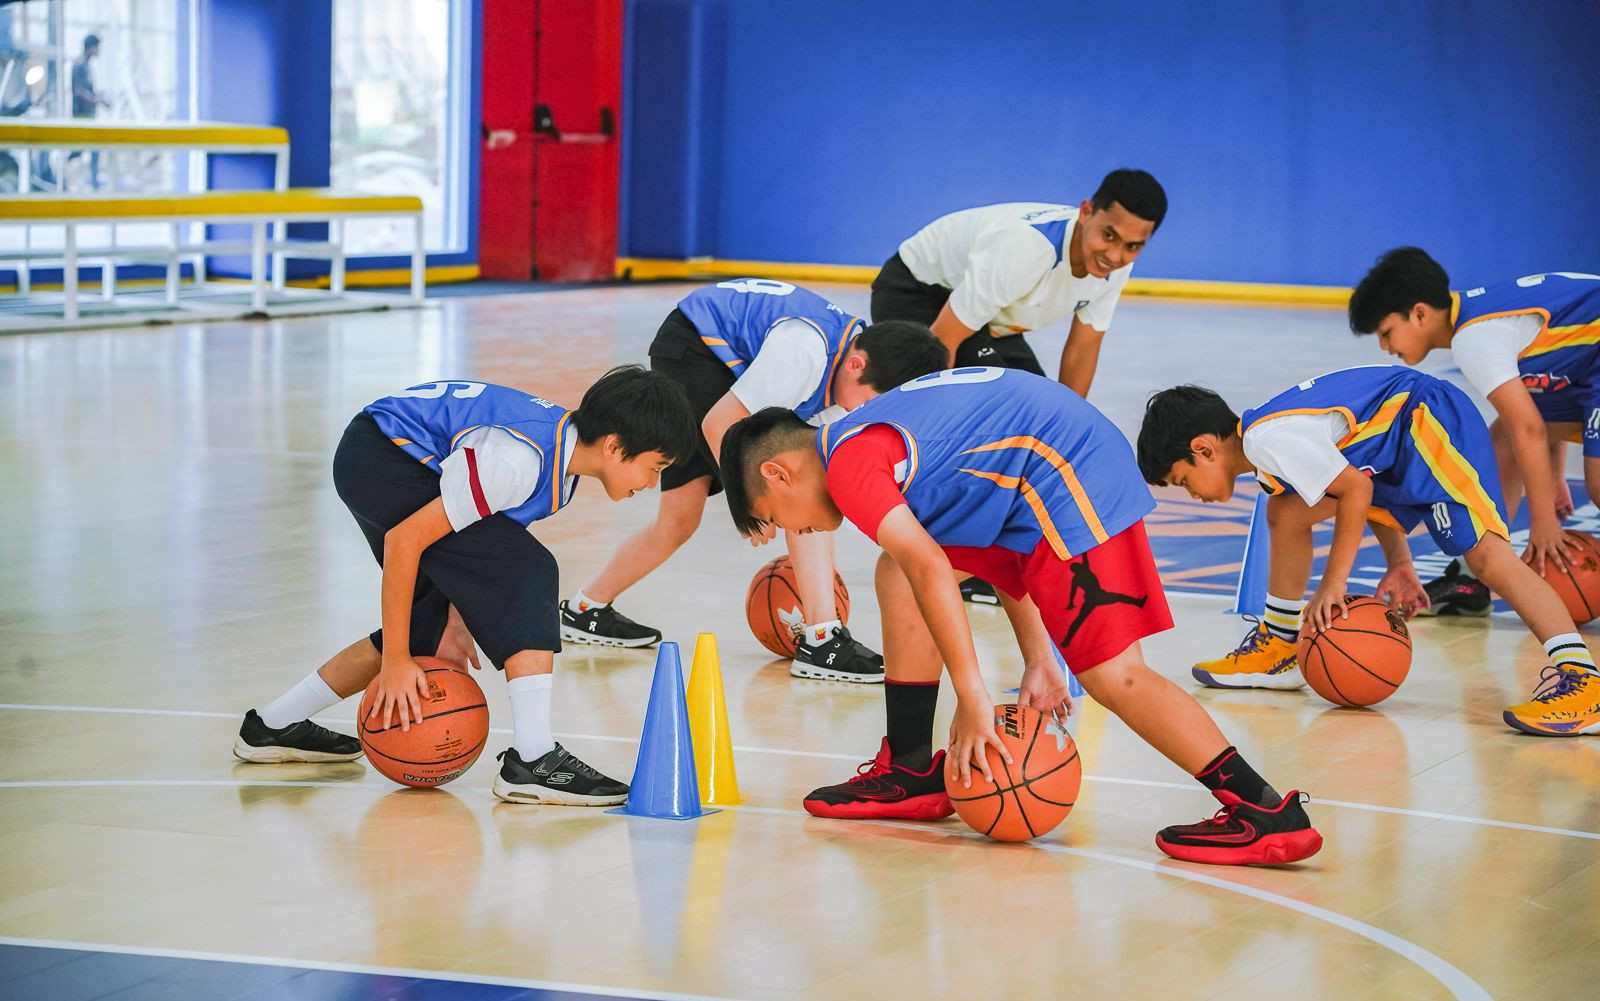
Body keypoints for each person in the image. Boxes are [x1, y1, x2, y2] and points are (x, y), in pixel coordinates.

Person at [720, 367, 1323, 866]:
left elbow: (935, 566)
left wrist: (973, 697)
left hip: (1071, 470)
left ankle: (1262, 809)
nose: (785, 531)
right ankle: (907, 767)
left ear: (778, 472)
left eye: (772, 513)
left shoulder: (850, 467)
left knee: (1115, 676)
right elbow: (997, 537)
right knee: (894, 570)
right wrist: (1038, 657)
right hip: (1045, 474)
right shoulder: (859, 439)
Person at [234, 367, 701, 803]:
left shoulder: (558, 466)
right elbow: (404, 543)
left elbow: (474, 554)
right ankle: (535, 759)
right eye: (655, 468)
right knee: (531, 570)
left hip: (384, 453)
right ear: (616, 447)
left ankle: (273, 725)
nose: (650, 483)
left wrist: (454, 621)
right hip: (380, 453)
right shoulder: (517, 461)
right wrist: (396, 662)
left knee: (430, 631)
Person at [1139, 367, 1600, 737]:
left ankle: (1585, 682)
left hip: (1428, 420)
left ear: (1204, 449)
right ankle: (1280, 646)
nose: (1192, 495)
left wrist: (1333, 583)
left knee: (1486, 559)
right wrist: (1400, 564)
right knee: (1286, 511)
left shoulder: (1266, 439)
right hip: (1397, 443)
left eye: (1182, 481)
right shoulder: (1267, 451)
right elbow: (1361, 480)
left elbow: (1357, 489)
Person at [560, 278, 947, 682]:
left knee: (693, 516)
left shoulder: (853, 371)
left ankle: (585, 610)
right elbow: (720, 422)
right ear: (856, 365)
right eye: (870, 402)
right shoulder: (804, 353)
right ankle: (822, 638)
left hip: (732, 358)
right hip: (695, 346)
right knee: (790, 488)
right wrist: (747, 503)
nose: (867, 413)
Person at [869, 168, 1166, 605]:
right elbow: (943, 344)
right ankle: (938, 552)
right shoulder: (1024, 250)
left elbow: (1083, 349)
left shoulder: (1116, 262)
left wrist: (1068, 438)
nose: (1117, 254)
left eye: (1133, 246)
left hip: (983, 319)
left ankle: (980, 556)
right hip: (917, 295)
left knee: (1040, 422)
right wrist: (945, 438)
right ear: (1086, 212)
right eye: (1109, 236)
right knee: (979, 430)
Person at [1347, 248, 1598, 614]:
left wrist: (1543, 523)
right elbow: (1539, 408)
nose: (1385, 347)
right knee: (1501, 441)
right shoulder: (1482, 317)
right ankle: (1474, 577)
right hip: (1590, 365)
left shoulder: (1473, 340)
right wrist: (1554, 473)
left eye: (1386, 333)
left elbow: (1528, 427)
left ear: (1419, 313)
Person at [70, 34, 110, 188]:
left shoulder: (86, 66)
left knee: (93, 150)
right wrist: (97, 100)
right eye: (97, 47)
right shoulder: (79, 65)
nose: (99, 50)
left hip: (88, 116)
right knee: (79, 151)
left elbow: (86, 90)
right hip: (81, 116)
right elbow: (78, 91)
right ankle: (65, 175)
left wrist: (98, 96)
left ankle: (93, 183)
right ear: (91, 47)